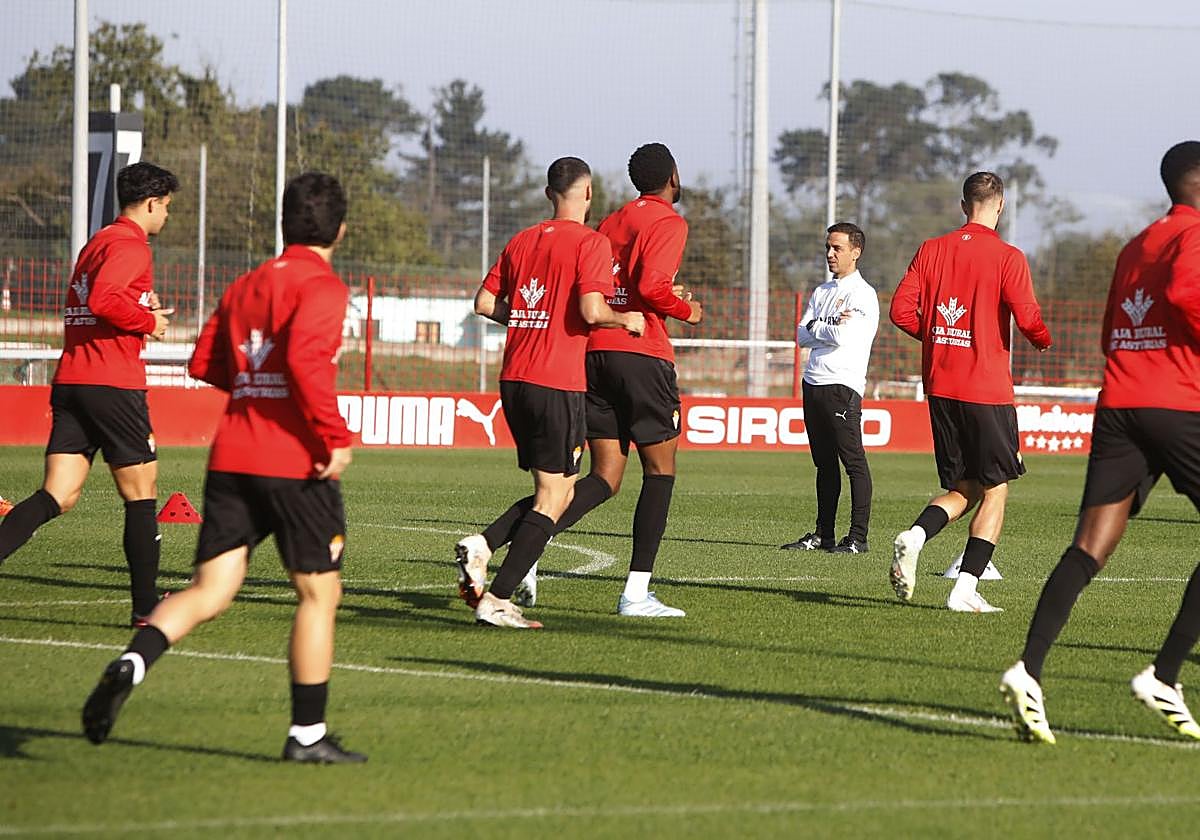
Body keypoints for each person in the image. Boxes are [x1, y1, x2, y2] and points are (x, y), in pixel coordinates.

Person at [82, 171, 365, 763]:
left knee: (210, 589)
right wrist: (333, 437)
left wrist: (255, 387)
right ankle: (306, 737)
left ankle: (133, 661)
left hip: (233, 456)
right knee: (319, 594)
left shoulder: (248, 283)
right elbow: (305, 364)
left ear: (284, 222)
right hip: (293, 461)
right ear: (340, 229)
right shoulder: (323, 286)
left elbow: (205, 362)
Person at [1000, 141, 1200, 745]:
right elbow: (1189, 296)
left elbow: (1117, 324)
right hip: (1177, 404)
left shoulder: (1138, 242)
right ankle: (1164, 676)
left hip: (1121, 405)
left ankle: (1027, 670)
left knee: (1088, 547)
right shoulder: (1195, 235)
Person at [457, 142, 701, 617]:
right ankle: (636, 592)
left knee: (602, 478)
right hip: (639, 352)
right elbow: (648, 288)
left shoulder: (609, 222)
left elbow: (605, 282)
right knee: (660, 471)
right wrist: (684, 309)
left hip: (591, 359)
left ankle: (518, 553)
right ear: (672, 176)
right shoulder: (669, 220)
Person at [0, 162, 176, 625]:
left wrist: (142, 303)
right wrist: (148, 322)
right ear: (153, 202)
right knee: (141, 494)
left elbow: (97, 297)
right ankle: (145, 607)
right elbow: (103, 299)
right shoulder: (131, 245)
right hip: (112, 383)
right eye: (167, 208)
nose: (167, 217)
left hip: (73, 380)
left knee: (58, 494)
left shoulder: (98, 242)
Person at [889, 171, 1052, 613]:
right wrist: (1042, 338)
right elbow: (1027, 315)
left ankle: (916, 534)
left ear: (965, 206)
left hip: (941, 387)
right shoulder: (1007, 256)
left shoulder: (931, 249)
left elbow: (901, 311)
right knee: (996, 489)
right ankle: (964, 588)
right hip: (987, 389)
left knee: (964, 487)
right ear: (999, 206)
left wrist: (942, 335)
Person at [782, 222, 878, 555]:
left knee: (853, 461)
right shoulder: (822, 292)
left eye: (837, 248)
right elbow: (800, 335)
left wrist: (817, 327)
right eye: (828, 247)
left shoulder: (863, 294)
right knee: (824, 464)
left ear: (856, 251)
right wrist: (825, 325)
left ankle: (858, 537)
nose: (830, 254)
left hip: (842, 385)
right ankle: (824, 534)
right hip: (813, 383)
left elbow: (843, 335)